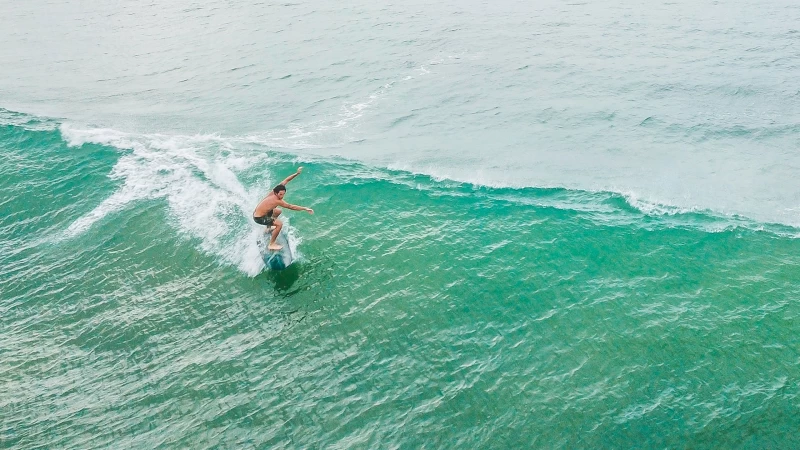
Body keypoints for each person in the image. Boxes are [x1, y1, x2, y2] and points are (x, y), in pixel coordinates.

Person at [253, 167, 314, 250]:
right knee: (279, 224)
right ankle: (271, 244)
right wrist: (305, 208)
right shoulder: (276, 200)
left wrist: (296, 174)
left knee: (278, 211)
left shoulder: (274, 191)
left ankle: (268, 228)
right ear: (276, 193)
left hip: (258, 213)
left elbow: (286, 180)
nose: (282, 196)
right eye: (280, 194)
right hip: (259, 218)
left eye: (283, 194)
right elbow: (291, 206)